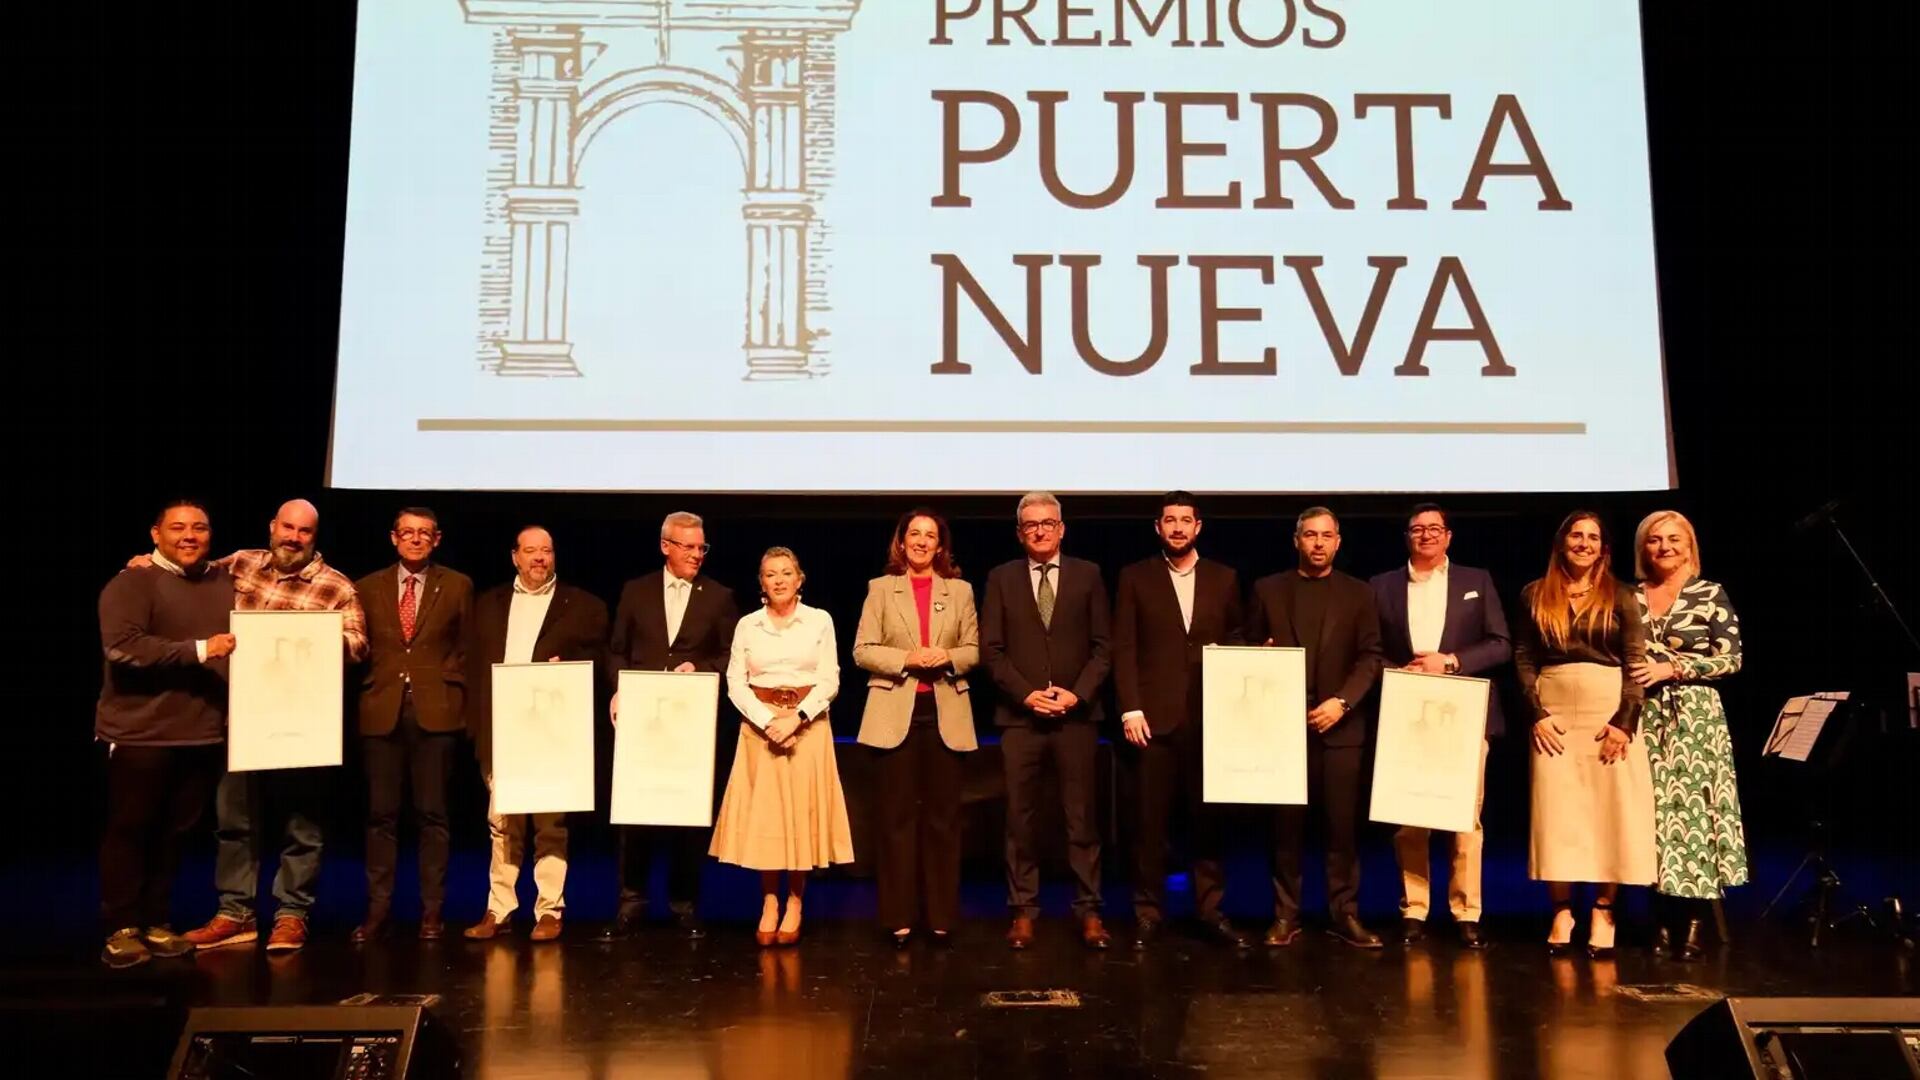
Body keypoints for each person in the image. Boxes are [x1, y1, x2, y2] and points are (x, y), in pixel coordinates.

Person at [167, 498, 369, 955]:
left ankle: (292, 915)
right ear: (272, 526)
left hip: (301, 720)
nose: (293, 538)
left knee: (303, 824)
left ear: (314, 538)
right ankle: (235, 914)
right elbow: (184, 573)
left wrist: (308, 641)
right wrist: (150, 563)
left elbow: (358, 644)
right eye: (287, 528)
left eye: (304, 532)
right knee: (234, 820)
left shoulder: (336, 586)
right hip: (241, 716)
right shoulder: (239, 564)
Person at [95, 501, 235, 968]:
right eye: (178, 528)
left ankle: (156, 920)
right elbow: (123, 648)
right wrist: (201, 650)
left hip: (198, 733)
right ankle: (121, 927)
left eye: (200, 527)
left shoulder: (222, 581)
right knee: (131, 830)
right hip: (141, 732)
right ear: (156, 535)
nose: (189, 535)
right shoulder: (131, 582)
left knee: (174, 834)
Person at [1368, 503, 1512, 950]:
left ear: (1448, 536)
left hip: (1464, 714)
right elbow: (1370, 651)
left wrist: (1449, 662)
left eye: (1435, 529)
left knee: (1465, 819)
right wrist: (1401, 672)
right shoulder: (1381, 586)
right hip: (1407, 713)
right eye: (1418, 529)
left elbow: (1501, 644)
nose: (1427, 535)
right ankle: (1414, 909)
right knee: (1411, 817)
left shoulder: (1477, 580)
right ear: (1407, 537)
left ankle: (1466, 912)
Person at [1113, 492, 1249, 950]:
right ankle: (1148, 913)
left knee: (1208, 824)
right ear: (1158, 527)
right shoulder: (1134, 577)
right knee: (1149, 825)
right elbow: (1124, 647)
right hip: (1152, 721)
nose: (1176, 528)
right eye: (1169, 520)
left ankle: (1210, 911)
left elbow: (1236, 640)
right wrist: (1131, 707)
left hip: (1210, 722)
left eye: (1184, 521)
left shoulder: (1225, 578)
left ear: (1198, 527)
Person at [1515, 511, 1653, 958]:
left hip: (1605, 711)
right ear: (1561, 543)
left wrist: (1624, 722)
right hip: (1554, 712)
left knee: (1607, 810)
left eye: (1593, 537)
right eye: (1576, 535)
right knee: (1558, 810)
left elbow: (1636, 663)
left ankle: (1603, 907)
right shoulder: (1535, 593)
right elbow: (1523, 657)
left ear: (1604, 549)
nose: (1584, 543)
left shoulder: (1623, 596)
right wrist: (1535, 713)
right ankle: (1560, 909)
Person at [1247, 507, 1386, 949]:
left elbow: (1371, 656)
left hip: (1341, 727)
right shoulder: (1267, 590)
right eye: (1310, 535)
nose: (1319, 543)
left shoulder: (1359, 594)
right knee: (1286, 830)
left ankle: (1344, 913)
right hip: (1282, 731)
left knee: (1341, 829)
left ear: (1339, 542)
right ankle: (1285, 915)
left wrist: (1341, 703)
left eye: (1327, 535)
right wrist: (1259, 653)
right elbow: (1247, 650)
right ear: (1297, 541)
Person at [464, 526, 609, 943]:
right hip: (502, 731)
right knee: (503, 822)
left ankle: (549, 909)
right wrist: (478, 730)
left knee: (550, 822)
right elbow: (471, 667)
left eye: (546, 550)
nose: (539, 558)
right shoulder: (487, 605)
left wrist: (570, 666)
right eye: (530, 551)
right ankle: (499, 908)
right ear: (515, 556)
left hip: (553, 733)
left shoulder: (583, 606)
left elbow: (599, 665)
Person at [982, 493, 1113, 950]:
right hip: (1021, 719)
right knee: (1021, 818)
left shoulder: (1089, 574)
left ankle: (1090, 909)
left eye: (1048, 523)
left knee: (1082, 818)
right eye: (1031, 524)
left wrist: (1075, 695)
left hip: (1077, 718)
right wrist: (1027, 695)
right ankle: (1023, 911)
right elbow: (991, 651)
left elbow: (1103, 647)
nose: (1040, 530)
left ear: (1062, 529)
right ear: (1020, 533)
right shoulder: (1000, 578)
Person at [603, 511, 740, 939]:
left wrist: (697, 668)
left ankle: (684, 903)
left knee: (687, 815)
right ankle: (632, 900)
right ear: (666, 546)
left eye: (702, 547)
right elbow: (616, 650)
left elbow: (731, 657)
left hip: (690, 723)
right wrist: (618, 688)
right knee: (636, 812)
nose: (697, 554)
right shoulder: (635, 591)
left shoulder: (718, 596)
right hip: (641, 721)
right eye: (689, 546)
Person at [711, 547, 854, 945]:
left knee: (800, 816)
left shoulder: (818, 621)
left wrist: (797, 718)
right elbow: (735, 682)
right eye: (770, 574)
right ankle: (769, 901)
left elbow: (830, 678)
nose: (778, 580)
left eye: (786, 573)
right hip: (761, 729)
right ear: (761, 582)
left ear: (799, 578)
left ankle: (795, 901)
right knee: (769, 820)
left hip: (806, 727)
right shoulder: (748, 625)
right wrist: (767, 720)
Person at [853, 508, 980, 948]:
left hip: (945, 713)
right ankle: (898, 917)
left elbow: (973, 650)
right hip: (895, 712)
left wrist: (945, 657)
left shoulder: (960, 591)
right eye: (914, 534)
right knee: (896, 821)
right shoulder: (881, 589)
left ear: (940, 545)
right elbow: (862, 650)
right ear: (901, 542)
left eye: (931, 535)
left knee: (944, 821)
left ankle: (942, 916)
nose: (922, 542)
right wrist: (906, 658)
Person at [1630, 510, 1748, 960]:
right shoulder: (1630, 595)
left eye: (1674, 539)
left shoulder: (1709, 594)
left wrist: (1675, 667)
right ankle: (1657, 919)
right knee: (1652, 816)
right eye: (1655, 540)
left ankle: (1693, 922)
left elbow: (1732, 659)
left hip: (1695, 719)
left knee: (1695, 817)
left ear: (1689, 545)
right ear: (1644, 548)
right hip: (1642, 716)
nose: (1664, 547)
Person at [353, 507, 474, 943]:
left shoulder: (458, 585)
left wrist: (452, 690)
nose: (416, 540)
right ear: (394, 538)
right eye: (408, 533)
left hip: (436, 711)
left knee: (433, 815)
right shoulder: (366, 587)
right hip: (380, 710)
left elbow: (467, 647)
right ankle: (378, 910)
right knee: (380, 816)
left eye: (425, 534)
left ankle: (432, 913)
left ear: (437, 539)